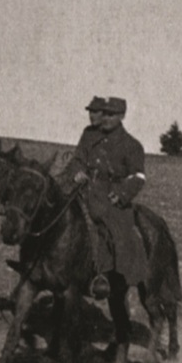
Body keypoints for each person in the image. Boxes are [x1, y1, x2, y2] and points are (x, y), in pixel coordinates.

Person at [64, 96, 148, 297]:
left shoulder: (132, 145)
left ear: (122, 116)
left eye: (112, 114)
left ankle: (102, 276)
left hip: (109, 196)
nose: (106, 118)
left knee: (107, 227)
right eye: (105, 113)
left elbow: (138, 177)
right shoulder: (89, 134)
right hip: (83, 190)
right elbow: (78, 159)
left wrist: (120, 194)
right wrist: (77, 172)